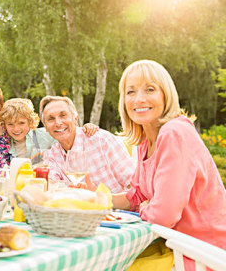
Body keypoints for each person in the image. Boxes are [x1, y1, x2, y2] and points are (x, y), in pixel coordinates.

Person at [82, 59, 226, 270]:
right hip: (176, 245)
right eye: (130, 92)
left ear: (165, 95)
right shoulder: (144, 140)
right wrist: (97, 196)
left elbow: (163, 215)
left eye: (150, 89)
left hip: (204, 253)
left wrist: (148, 207)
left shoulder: (174, 132)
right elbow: (138, 196)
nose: (139, 99)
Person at [39, 95, 135, 193]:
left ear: (75, 118)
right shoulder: (52, 155)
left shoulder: (101, 140)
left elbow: (133, 183)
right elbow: (50, 185)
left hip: (114, 207)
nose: (58, 123)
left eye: (63, 115)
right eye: (51, 119)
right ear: (46, 127)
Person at [0, 98, 99, 159]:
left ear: (30, 122)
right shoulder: (4, 142)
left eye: (21, 123)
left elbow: (68, 133)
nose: (16, 129)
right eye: (10, 124)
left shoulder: (45, 135)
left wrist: (87, 127)